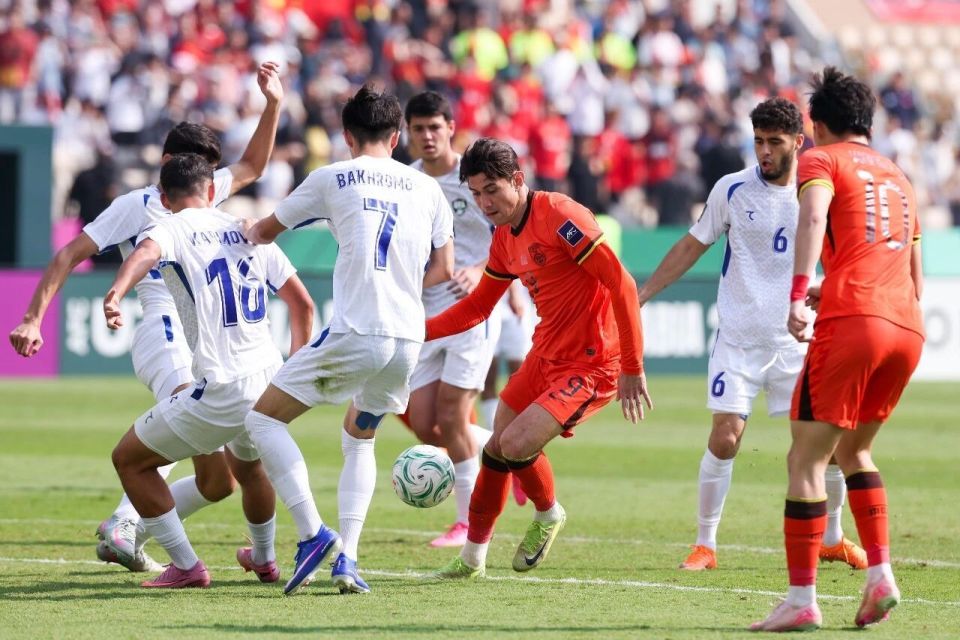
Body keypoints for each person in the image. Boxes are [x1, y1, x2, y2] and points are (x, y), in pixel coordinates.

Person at [8, 61, 285, 572]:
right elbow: (69, 253)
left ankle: (129, 527)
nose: (210, 180)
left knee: (218, 483)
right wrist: (32, 318)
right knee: (183, 410)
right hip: (164, 333)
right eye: (199, 167)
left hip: (203, 342)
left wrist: (272, 104)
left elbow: (253, 166)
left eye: (210, 171)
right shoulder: (137, 205)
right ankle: (129, 521)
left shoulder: (201, 192)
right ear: (169, 163)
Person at [637, 97, 866, 573]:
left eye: (774, 142)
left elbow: (847, 257)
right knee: (725, 438)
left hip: (798, 343)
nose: (764, 151)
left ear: (798, 142)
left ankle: (832, 537)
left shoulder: (819, 192)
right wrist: (642, 295)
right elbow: (692, 245)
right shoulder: (733, 189)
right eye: (758, 141)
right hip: (738, 341)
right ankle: (705, 545)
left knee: (825, 444)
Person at [242, 84, 454, 596]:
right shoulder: (428, 188)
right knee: (359, 437)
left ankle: (313, 534)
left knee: (262, 420)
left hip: (359, 329)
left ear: (347, 136)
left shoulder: (333, 176)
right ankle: (349, 560)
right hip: (407, 339)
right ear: (398, 136)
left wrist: (245, 227)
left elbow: (265, 232)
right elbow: (445, 268)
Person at [427, 137, 652, 579]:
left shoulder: (562, 216)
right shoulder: (502, 237)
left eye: (492, 190)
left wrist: (632, 365)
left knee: (515, 444)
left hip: (592, 363)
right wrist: (419, 331)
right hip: (546, 353)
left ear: (517, 179)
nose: (484, 203)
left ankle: (548, 513)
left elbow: (622, 285)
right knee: (496, 447)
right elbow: (478, 307)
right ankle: (471, 560)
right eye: (475, 193)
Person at [751, 67, 924, 632]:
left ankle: (802, 599)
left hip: (854, 323)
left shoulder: (822, 161)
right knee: (855, 452)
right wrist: (841, 290)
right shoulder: (900, 177)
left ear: (817, 126)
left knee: (804, 460)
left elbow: (814, 216)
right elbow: (911, 274)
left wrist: (800, 294)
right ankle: (880, 576)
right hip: (906, 326)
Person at [103, 153, 314, 588]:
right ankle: (264, 559)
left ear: (164, 198)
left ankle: (186, 566)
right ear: (213, 190)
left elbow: (145, 253)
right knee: (249, 468)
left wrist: (116, 291)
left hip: (223, 386)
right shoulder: (249, 228)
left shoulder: (170, 226)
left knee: (129, 460)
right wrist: (292, 375)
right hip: (268, 380)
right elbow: (303, 305)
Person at [402, 90, 499, 548]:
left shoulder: (473, 179)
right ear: (406, 133)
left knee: (451, 415)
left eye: (434, 127)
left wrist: (480, 269)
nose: (427, 136)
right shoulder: (407, 183)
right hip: (424, 312)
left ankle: (466, 523)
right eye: (418, 128)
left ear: (451, 128)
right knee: (426, 425)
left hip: (472, 308)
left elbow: (509, 232)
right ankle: (507, 448)